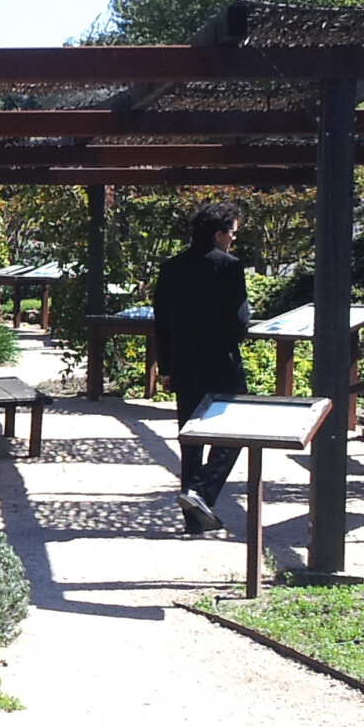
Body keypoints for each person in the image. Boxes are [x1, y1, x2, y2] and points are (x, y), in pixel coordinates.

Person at [150, 202, 251, 533]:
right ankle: (202, 491)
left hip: (183, 365)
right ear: (220, 234)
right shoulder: (229, 267)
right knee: (235, 432)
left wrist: (165, 368)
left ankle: (194, 518)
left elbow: (161, 324)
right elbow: (239, 323)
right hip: (221, 364)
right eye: (233, 234)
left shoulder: (171, 268)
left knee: (190, 441)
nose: (233, 241)